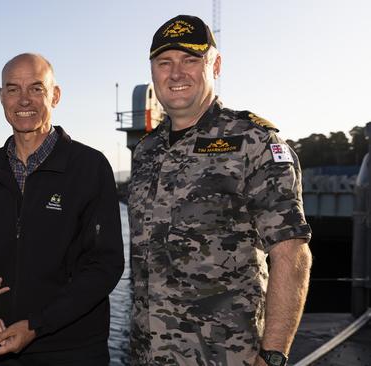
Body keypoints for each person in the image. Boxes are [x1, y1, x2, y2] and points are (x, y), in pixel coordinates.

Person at [128, 15, 313, 366]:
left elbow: (291, 255)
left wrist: (272, 355)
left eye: (191, 60)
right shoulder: (146, 152)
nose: (176, 73)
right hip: (146, 354)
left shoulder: (254, 142)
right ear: (153, 71)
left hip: (225, 356)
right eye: (164, 63)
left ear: (216, 65)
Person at [0, 53, 124, 366]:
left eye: (36, 89)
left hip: (73, 351)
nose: (24, 100)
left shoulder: (90, 168)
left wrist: (38, 324)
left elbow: (105, 265)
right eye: (13, 89)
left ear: (55, 95)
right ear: (1, 97)